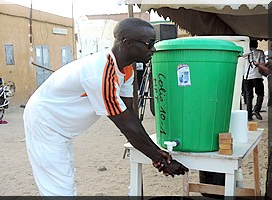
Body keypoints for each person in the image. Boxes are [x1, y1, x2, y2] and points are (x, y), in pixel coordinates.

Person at [23, 18, 189, 196]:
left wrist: (157, 155)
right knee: (59, 187)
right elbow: (125, 124)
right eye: (149, 44)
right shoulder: (100, 74)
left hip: (61, 127)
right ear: (128, 44)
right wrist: (158, 158)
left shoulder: (126, 69)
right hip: (45, 123)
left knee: (64, 178)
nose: (153, 49)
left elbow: (129, 113)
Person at [243, 39, 266, 121]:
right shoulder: (260, 52)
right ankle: (256, 110)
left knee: (249, 96)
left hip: (247, 77)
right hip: (257, 76)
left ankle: (249, 115)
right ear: (256, 44)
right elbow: (262, 64)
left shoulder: (244, 54)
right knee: (260, 94)